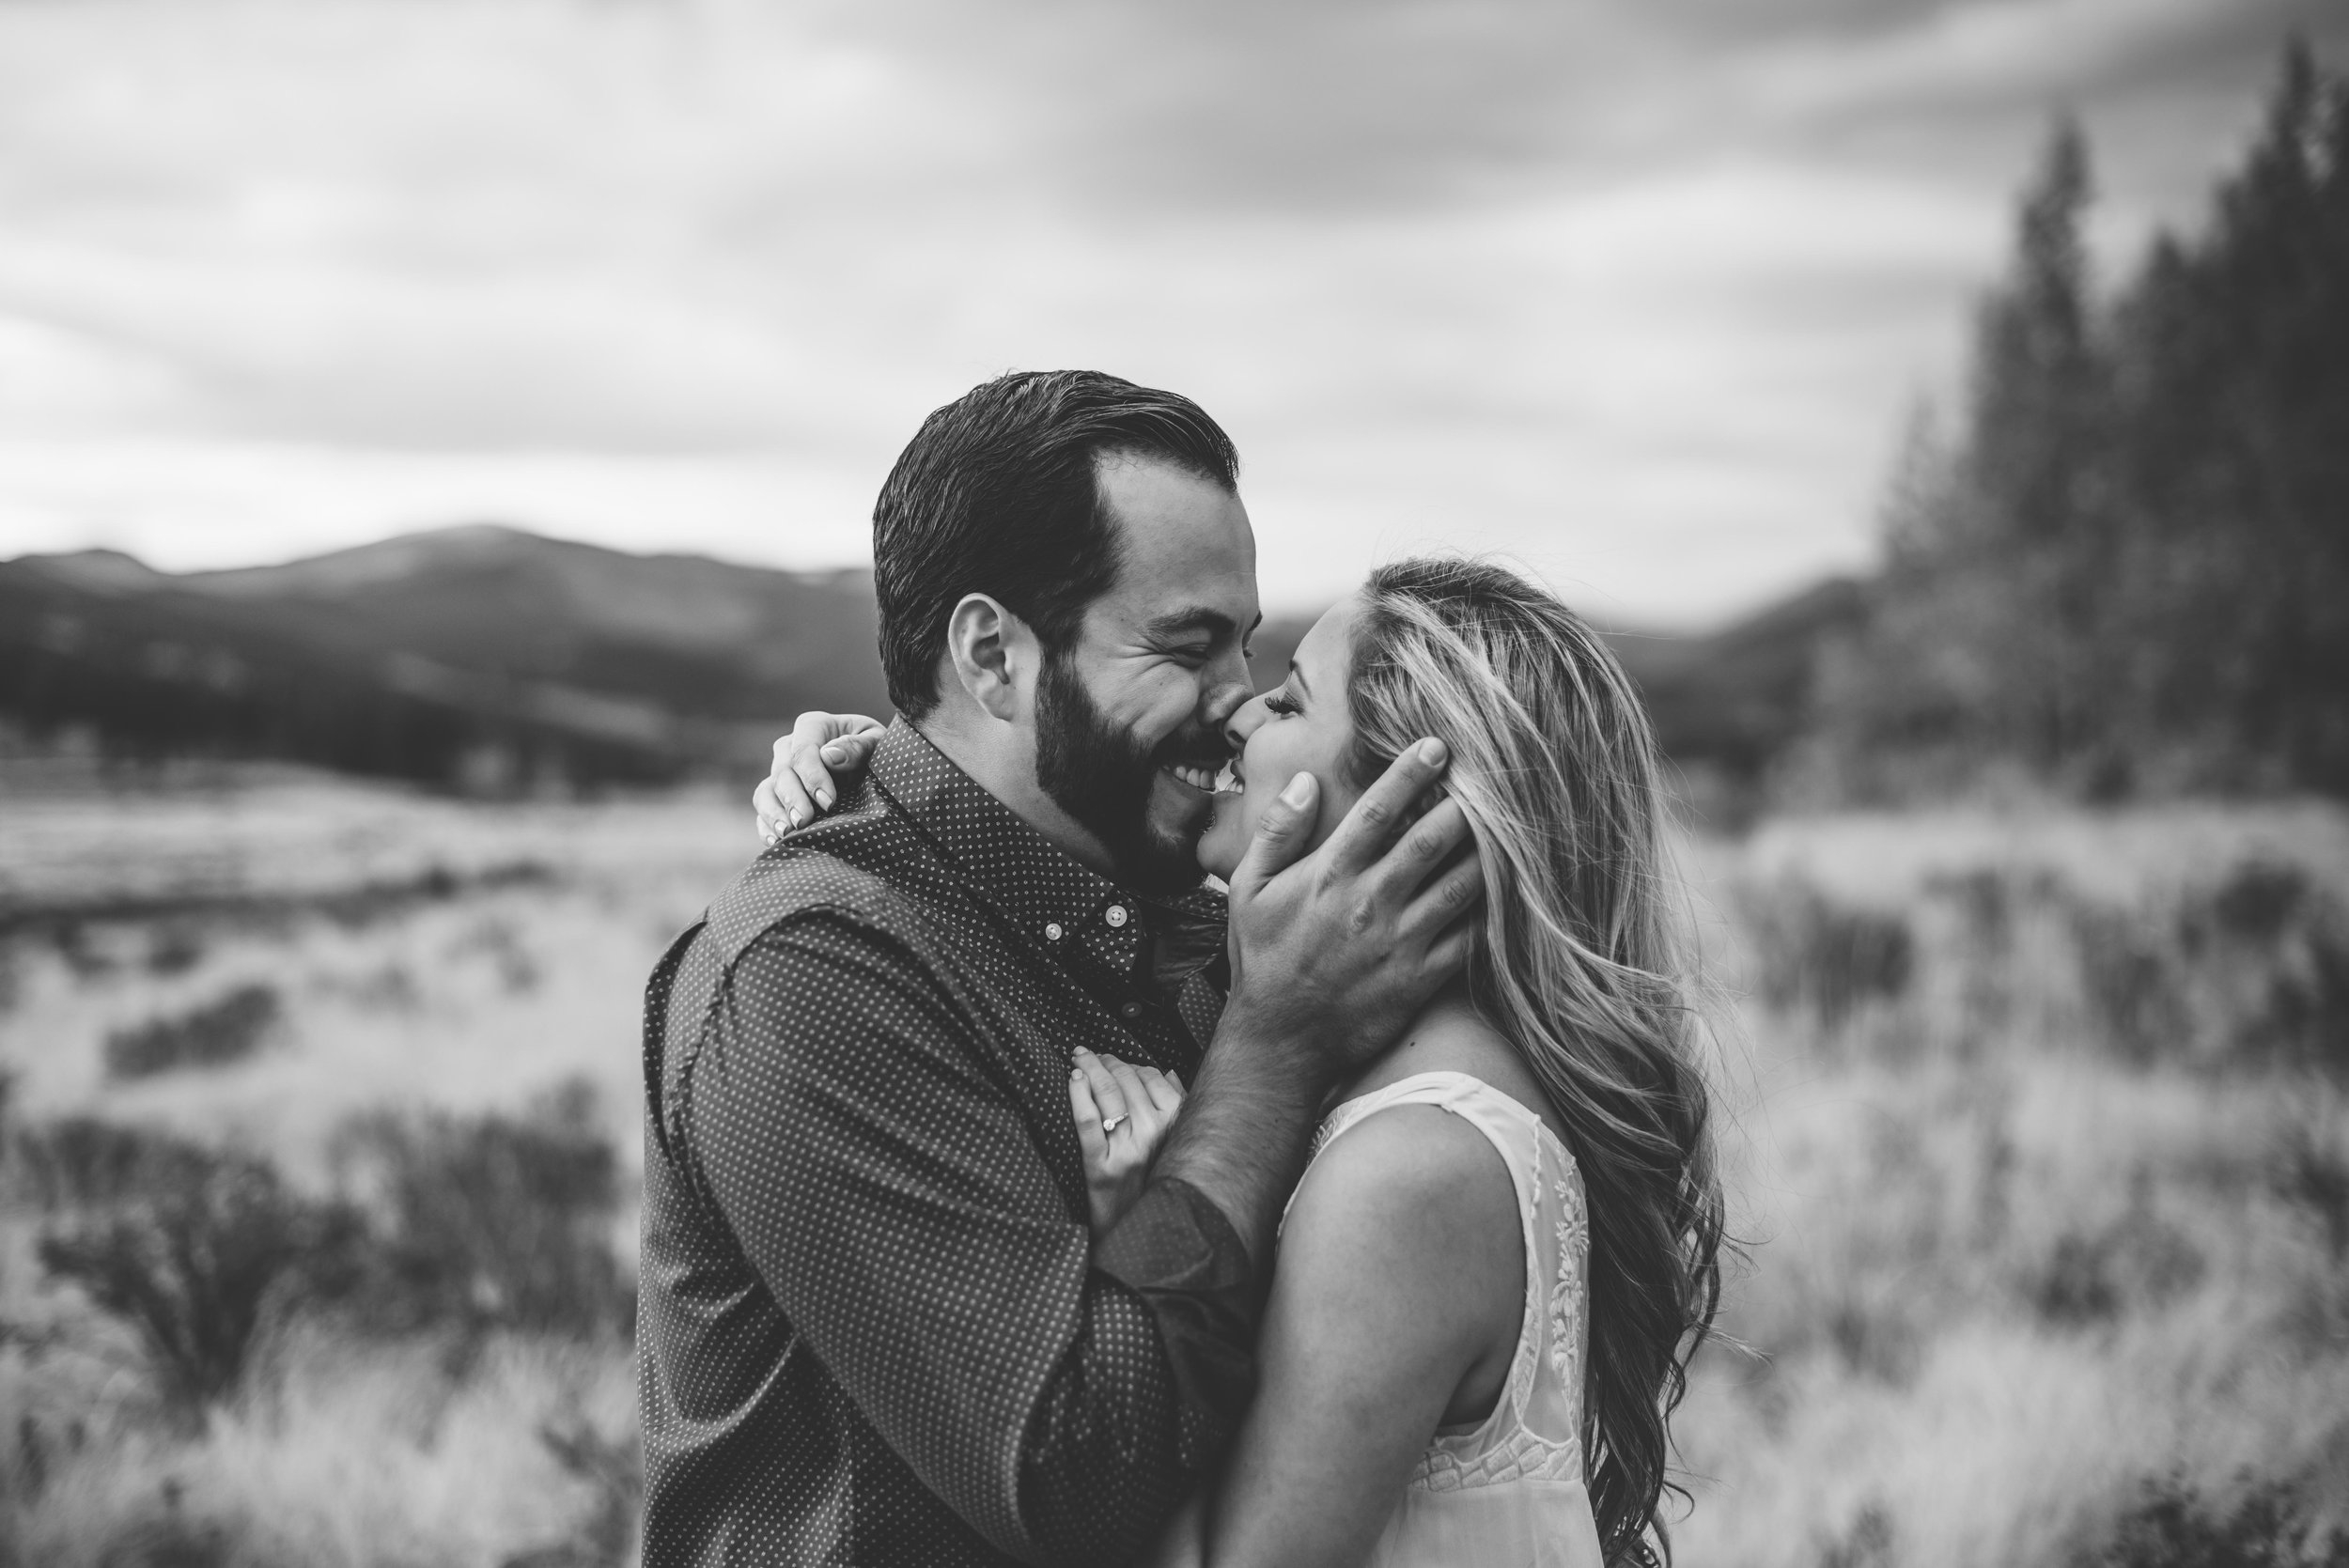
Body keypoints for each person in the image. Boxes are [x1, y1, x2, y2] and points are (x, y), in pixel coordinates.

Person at [638, 369, 1486, 1568]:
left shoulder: (1195, 920)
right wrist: (1271, 1053)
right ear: (993, 655)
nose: (1240, 705)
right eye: (1187, 647)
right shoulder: (811, 975)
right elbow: (1074, 1483)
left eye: (1244, 647)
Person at [760, 559, 1726, 1567]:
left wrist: (1141, 1227)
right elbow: (1054, 884)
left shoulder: (1409, 1168)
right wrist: (887, 778)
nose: (1237, 712)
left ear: (1399, 806)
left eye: (1290, 701)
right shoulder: (1384, 1058)